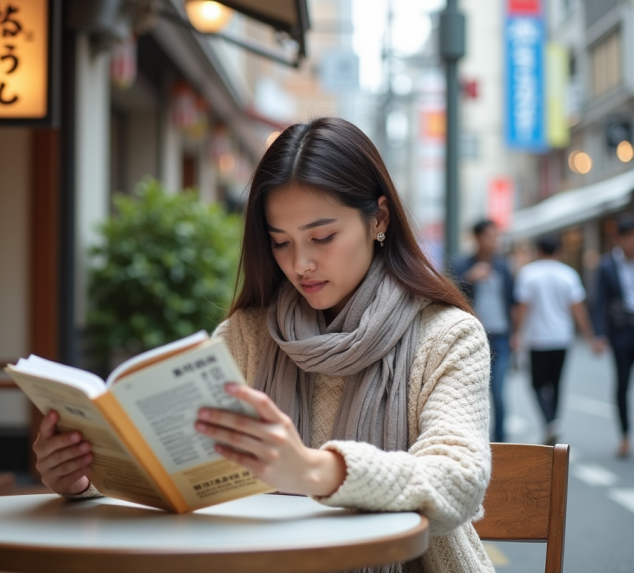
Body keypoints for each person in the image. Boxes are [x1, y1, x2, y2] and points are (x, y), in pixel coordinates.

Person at [33, 118, 495, 572]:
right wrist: (86, 478)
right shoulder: (246, 337)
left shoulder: (447, 336)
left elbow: (458, 481)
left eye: (322, 237)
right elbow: (179, 472)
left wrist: (316, 471)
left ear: (380, 218)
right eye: (280, 243)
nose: (301, 264)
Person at [512, 235, 599, 446]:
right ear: (558, 251)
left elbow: (522, 308)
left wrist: (517, 333)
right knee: (556, 382)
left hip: (537, 338)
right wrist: (590, 336)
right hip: (562, 337)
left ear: (539, 250)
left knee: (536, 384)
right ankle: (555, 422)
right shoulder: (568, 274)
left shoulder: (528, 274)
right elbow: (578, 309)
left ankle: (550, 422)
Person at [453, 220, 515, 443]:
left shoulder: (503, 266)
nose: (494, 241)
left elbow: (512, 301)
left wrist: (515, 334)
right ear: (477, 238)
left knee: (498, 392)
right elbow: (448, 294)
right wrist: (469, 278)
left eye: (496, 236)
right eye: (490, 236)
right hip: (473, 338)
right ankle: (475, 440)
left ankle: (499, 441)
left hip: (500, 336)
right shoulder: (461, 265)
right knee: (473, 393)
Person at [592, 216, 634, 458]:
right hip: (621, 331)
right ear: (618, 239)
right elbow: (599, 302)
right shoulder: (607, 266)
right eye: (627, 237)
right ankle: (625, 436)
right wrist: (599, 334)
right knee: (622, 385)